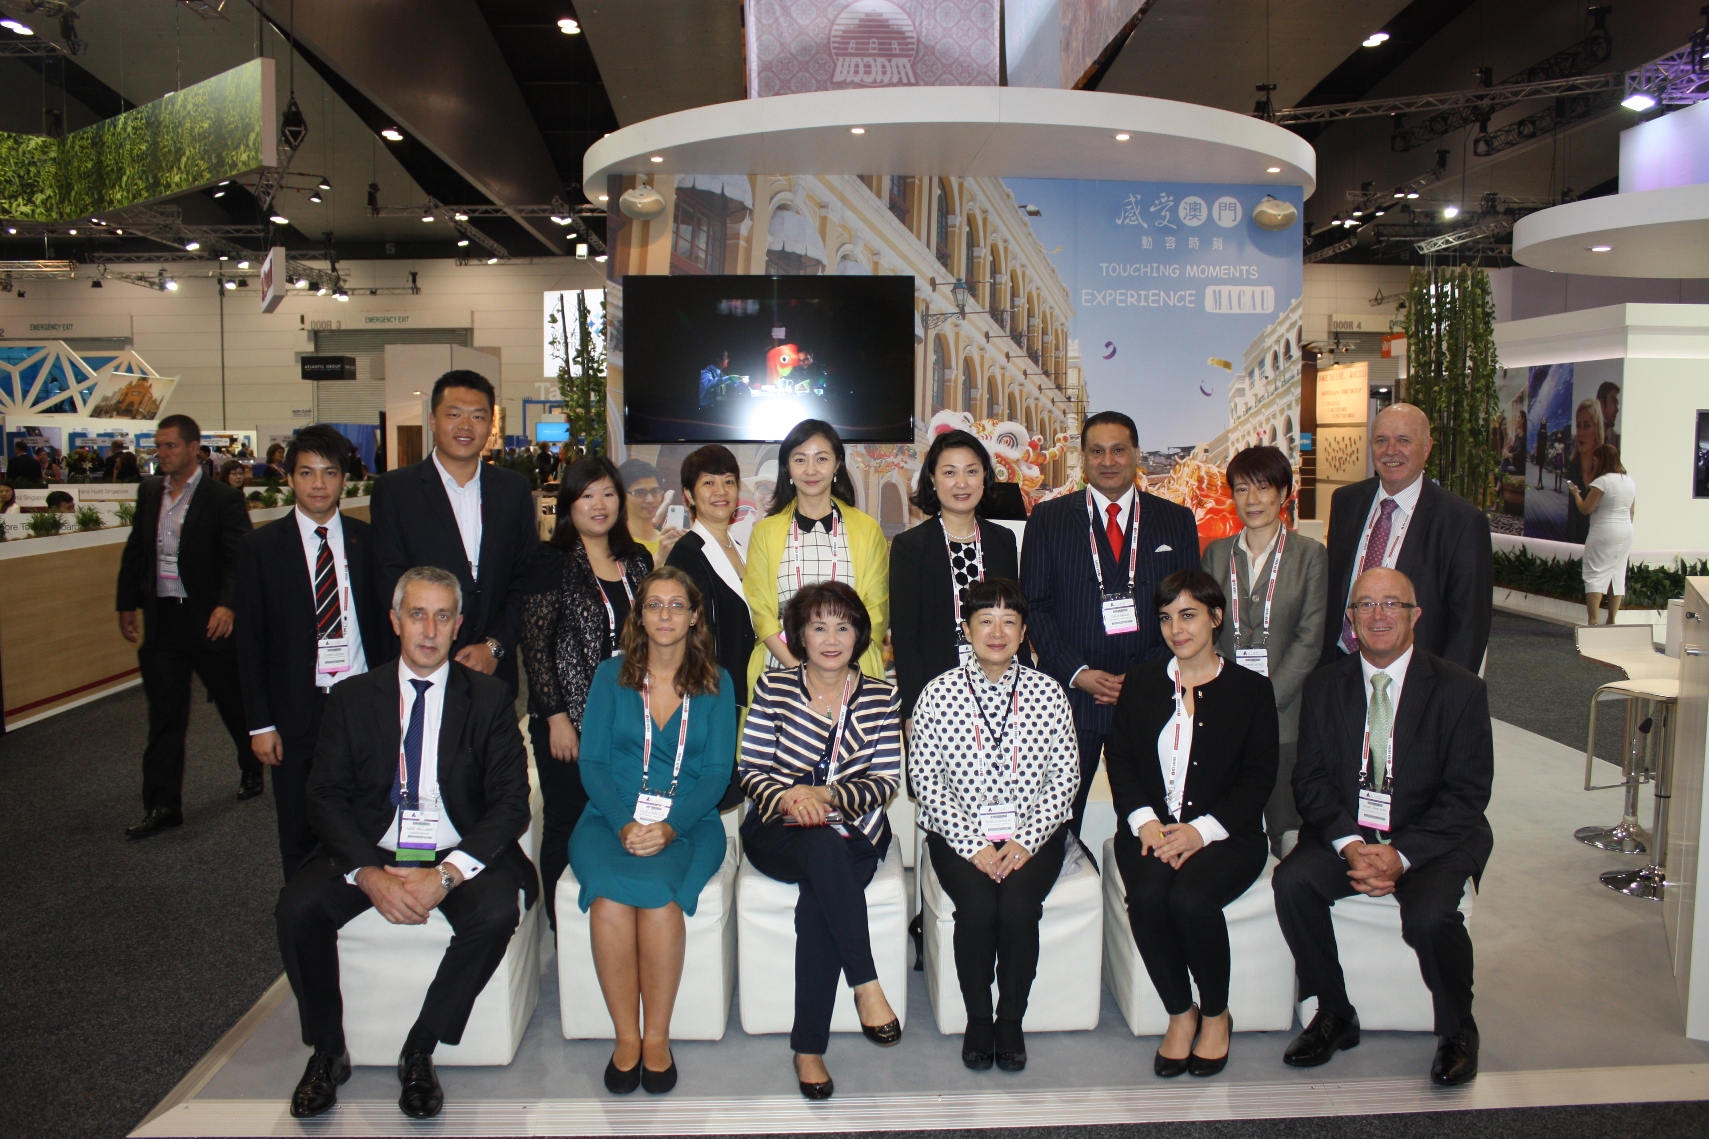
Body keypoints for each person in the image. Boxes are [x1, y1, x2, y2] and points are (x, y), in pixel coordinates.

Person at [276, 566, 536, 1121]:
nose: (429, 629)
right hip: (373, 848)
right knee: (297, 907)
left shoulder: (489, 698)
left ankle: (419, 1049)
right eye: (417, 614)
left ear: (459, 625)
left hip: (454, 849)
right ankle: (327, 1051)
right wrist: (369, 875)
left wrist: (446, 876)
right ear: (395, 621)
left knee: (495, 913)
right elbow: (324, 796)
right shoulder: (352, 697)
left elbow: (511, 803)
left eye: (443, 617)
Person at [1276, 566, 1492, 1087]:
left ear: (1416, 615)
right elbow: (1310, 780)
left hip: (1432, 837)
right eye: (1365, 605)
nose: (1378, 616)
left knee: (1430, 917)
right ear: (1350, 619)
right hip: (1351, 831)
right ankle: (1334, 1011)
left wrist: (1402, 855)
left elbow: (1467, 794)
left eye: (1392, 604)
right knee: (1293, 883)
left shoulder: (1460, 689)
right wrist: (1351, 846)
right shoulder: (1324, 685)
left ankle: (1458, 1029)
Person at [1105, 569, 1276, 1079]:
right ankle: (1181, 1013)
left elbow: (1258, 778)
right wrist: (1144, 821)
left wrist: (1201, 831)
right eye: (1165, 618)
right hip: (1151, 829)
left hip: (1227, 835)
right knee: (1148, 897)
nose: (1176, 629)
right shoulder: (1141, 682)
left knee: (1190, 900)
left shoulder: (1251, 690)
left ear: (1215, 617)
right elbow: (1121, 758)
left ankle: (1216, 1014)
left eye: (1188, 615)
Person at [571, 567, 736, 1095]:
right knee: (609, 901)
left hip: (689, 823)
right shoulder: (610, 676)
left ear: (694, 617)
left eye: (676, 605)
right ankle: (627, 1037)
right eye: (654, 605)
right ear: (639, 616)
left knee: (661, 899)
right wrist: (624, 824)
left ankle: (657, 1038)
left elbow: (716, 775)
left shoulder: (718, 681)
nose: (665, 615)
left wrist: (669, 827)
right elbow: (593, 764)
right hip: (608, 819)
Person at [739, 581, 903, 1100]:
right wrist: (792, 799)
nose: (831, 639)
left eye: (843, 627)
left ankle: (808, 1049)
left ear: (859, 636)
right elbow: (750, 770)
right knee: (820, 849)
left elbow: (886, 781)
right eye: (818, 627)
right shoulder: (774, 687)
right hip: (777, 828)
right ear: (800, 635)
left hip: (853, 830)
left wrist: (827, 796)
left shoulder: (881, 695)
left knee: (820, 894)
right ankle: (867, 984)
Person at [910, 577, 1078, 1072]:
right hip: (958, 835)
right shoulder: (937, 693)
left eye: (1009, 622)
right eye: (985, 621)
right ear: (967, 629)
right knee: (979, 909)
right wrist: (972, 844)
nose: (997, 632)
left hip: (1034, 835)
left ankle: (1011, 1020)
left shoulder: (1048, 692)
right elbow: (924, 778)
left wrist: (1025, 840)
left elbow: (1065, 775)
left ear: (1024, 632)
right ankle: (979, 1019)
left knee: (1019, 909)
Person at [1020, 411, 1201, 840]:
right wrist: (1077, 672)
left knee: (1150, 822)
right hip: (1071, 698)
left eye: (1118, 450)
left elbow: (1188, 611)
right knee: (1057, 823)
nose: (1108, 461)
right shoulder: (1048, 518)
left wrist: (1141, 677)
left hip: (1149, 696)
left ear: (1136, 453)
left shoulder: (1174, 520)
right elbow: (1035, 607)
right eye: (1097, 451)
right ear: (1083, 458)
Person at [236, 426, 384, 879]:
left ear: (345, 479)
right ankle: (303, 907)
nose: (318, 484)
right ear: (288, 478)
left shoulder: (369, 542)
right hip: (296, 710)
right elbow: (249, 644)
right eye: (306, 473)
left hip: (362, 702)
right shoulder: (261, 548)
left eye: (329, 472)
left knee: (367, 814)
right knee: (299, 826)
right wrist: (261, 724)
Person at [520, 456, 654, 925]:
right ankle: (565, 930)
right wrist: (556, 718)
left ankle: (614, 913)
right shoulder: (550, 562)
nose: (599, 505)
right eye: (587, 495)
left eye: (608, 494)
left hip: (630, 717)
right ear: (569, 504)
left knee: (619, 817)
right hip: (570, 722)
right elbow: (535, 648)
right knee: (567, 821)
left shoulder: (638, 560)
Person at [116, 414, 259, 838]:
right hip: (163, 621)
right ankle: (162, 804)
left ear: (194, 449)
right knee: (164, 716)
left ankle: (252, 761)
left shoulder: (221, 498)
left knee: (233, 702)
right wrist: (126, 603)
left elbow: (239, 558)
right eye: (158, 446)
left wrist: (228, 605)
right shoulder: (149, 492)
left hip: (209, 621)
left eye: (170, 446)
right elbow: (136, 550)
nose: (162, 454)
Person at [370, 370, 539, 695]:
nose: (465, 426)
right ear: (433, 420)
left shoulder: (512, 489)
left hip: (494, 672)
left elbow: (526, 577)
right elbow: (390, 577)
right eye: (454, 415)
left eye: (477, 416)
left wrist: (494, 646)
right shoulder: (395, 491)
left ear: (490, 424)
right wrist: (434, 641)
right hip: (421, 666)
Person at [1201, 446, 1326, 853]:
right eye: (1242, 489)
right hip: (1225, 710)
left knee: (1287, 829)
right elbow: (1206, 633)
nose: (1252, 499)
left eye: (1263, 487)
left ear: (1284, 493)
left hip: (1284, 714)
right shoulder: (1216, 554)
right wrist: (1232, 697)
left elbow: (1309, 638)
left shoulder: (1310, 555)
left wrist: (1264, 700)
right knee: (1225, 827)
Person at [1319, 403, 1492, 675]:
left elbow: (1470, 625)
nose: (1391, 451)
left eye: (1403, 440)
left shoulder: (1461, 521)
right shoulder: (1346, 502)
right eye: (1381, 440)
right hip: (1341, 668)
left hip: (1417, 677)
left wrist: (1446, 692)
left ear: (1427, 447)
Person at [743, 419, 891, 697]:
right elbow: (761, 614)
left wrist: (834, 672)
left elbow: (875, 613)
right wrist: (800, 670)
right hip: (781, 671)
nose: (810, 470)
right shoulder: (764, 532)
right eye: (800, 459)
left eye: (821, 458)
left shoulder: (867, 529)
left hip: (852, 672)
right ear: (788, 467)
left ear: (837, 464)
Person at [890, 429, 1021, 725]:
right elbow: (905, 637)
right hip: (936, 694)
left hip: (1000, 687)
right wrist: (913, 710)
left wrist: (1023, 693)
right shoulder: (910, 546)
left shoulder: (1002, 540)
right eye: (949, 472)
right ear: (932, 479)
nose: (962, 483)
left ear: (984, 477)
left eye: (971, 471)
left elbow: (1014, 618)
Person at [665, 445, 755, 708]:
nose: (720, 491)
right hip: (707, 697)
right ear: (688, 495)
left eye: (728, 481)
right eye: (708, 482)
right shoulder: (686, 554)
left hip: (745, 690)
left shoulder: (742, 550)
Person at [1571, 444, 1637, 626]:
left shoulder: (1602, 482)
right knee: (1617, 574)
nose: (1593, 462)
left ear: (1601, 460)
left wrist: (1576, 494)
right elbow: (1632, 512)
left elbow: (1585, 508)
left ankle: (1593, 620)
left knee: (1594, 573)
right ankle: (1611, 620)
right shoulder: (1629, 481)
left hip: (1604, 531)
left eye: (1596, 459)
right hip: (1626, 531)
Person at [619, 458, 686, 563]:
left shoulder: (668, 541)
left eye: (655, 491)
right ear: (621, 495)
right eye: (640, 492)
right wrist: (660, 557)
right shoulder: (615, 544)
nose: (650, 500)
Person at [1563, 399, 1602, 545]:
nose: (1580, 433)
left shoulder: (1605, 471)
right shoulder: (1573, 468)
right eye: (1578, 426)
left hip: (1600, 548)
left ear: (1597, 430)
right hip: (1575, 547)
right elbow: (1571, 518)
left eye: (1587, 426)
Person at [1597, 381, 1621, 455]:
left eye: (1616, 403)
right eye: (1613, 402)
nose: (1617, 409)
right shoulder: (1592, 441)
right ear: (1601, 404)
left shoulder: (1605, 440)